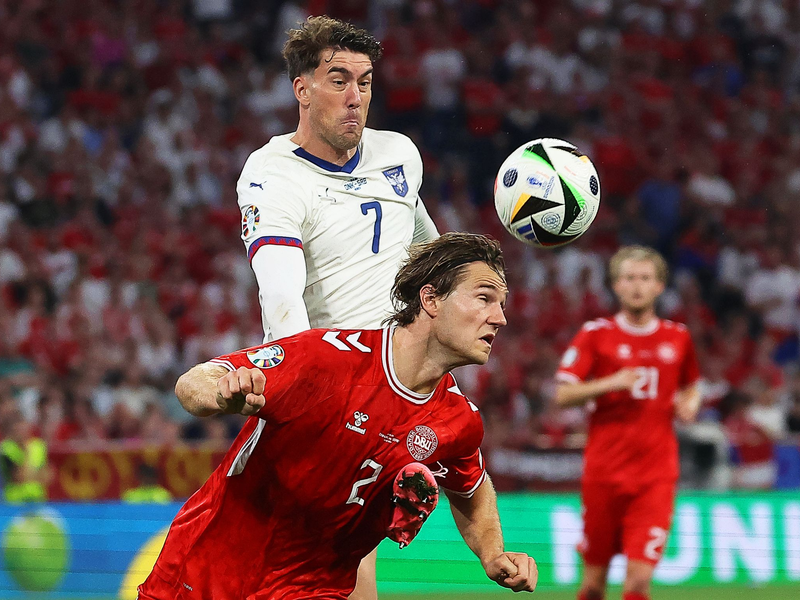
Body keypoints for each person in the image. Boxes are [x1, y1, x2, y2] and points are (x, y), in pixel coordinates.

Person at [138, 233, 538, 599]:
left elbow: (472, 488)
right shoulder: (326, 360)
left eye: (502, 304)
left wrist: (492, 553)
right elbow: (193, 383)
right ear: (431, 300)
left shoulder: (458, 421)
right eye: (484, 298)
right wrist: (223, 393)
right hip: (203, 579)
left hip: (312, 590)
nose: (500, 318)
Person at [236, 17, 439, 598]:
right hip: (324, 396)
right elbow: (281, 299)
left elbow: (427, 252)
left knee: (343, 569)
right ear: (302, 90)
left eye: (365, 82)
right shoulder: (272, 174)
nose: (356, 97)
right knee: (321, 571)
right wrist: (317, 403)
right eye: (339, 80)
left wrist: (477, 278)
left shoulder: (399, 154)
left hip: (389, 391)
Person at [554, 246, 701, 600]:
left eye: (645, 278)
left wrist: (690, 403)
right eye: (629, 278)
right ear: (616, 285)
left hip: (655, 477)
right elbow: (563, 394)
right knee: (593, 585)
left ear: (659, 286)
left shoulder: (678, 336)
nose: (637, 286)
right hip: (604, 474)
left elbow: (692, 384)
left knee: (637, 582)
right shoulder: (595, 334)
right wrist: (611, 383)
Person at [0, 412, 50, 503]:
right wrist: (26, 452)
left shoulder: (38, 446)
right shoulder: (6, 449)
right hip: (14, 501)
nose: (21, 432)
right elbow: (18, 477)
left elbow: (47, 476)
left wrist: (33, 475)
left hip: (37, 499)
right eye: (17, 430)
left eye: (23, 428)